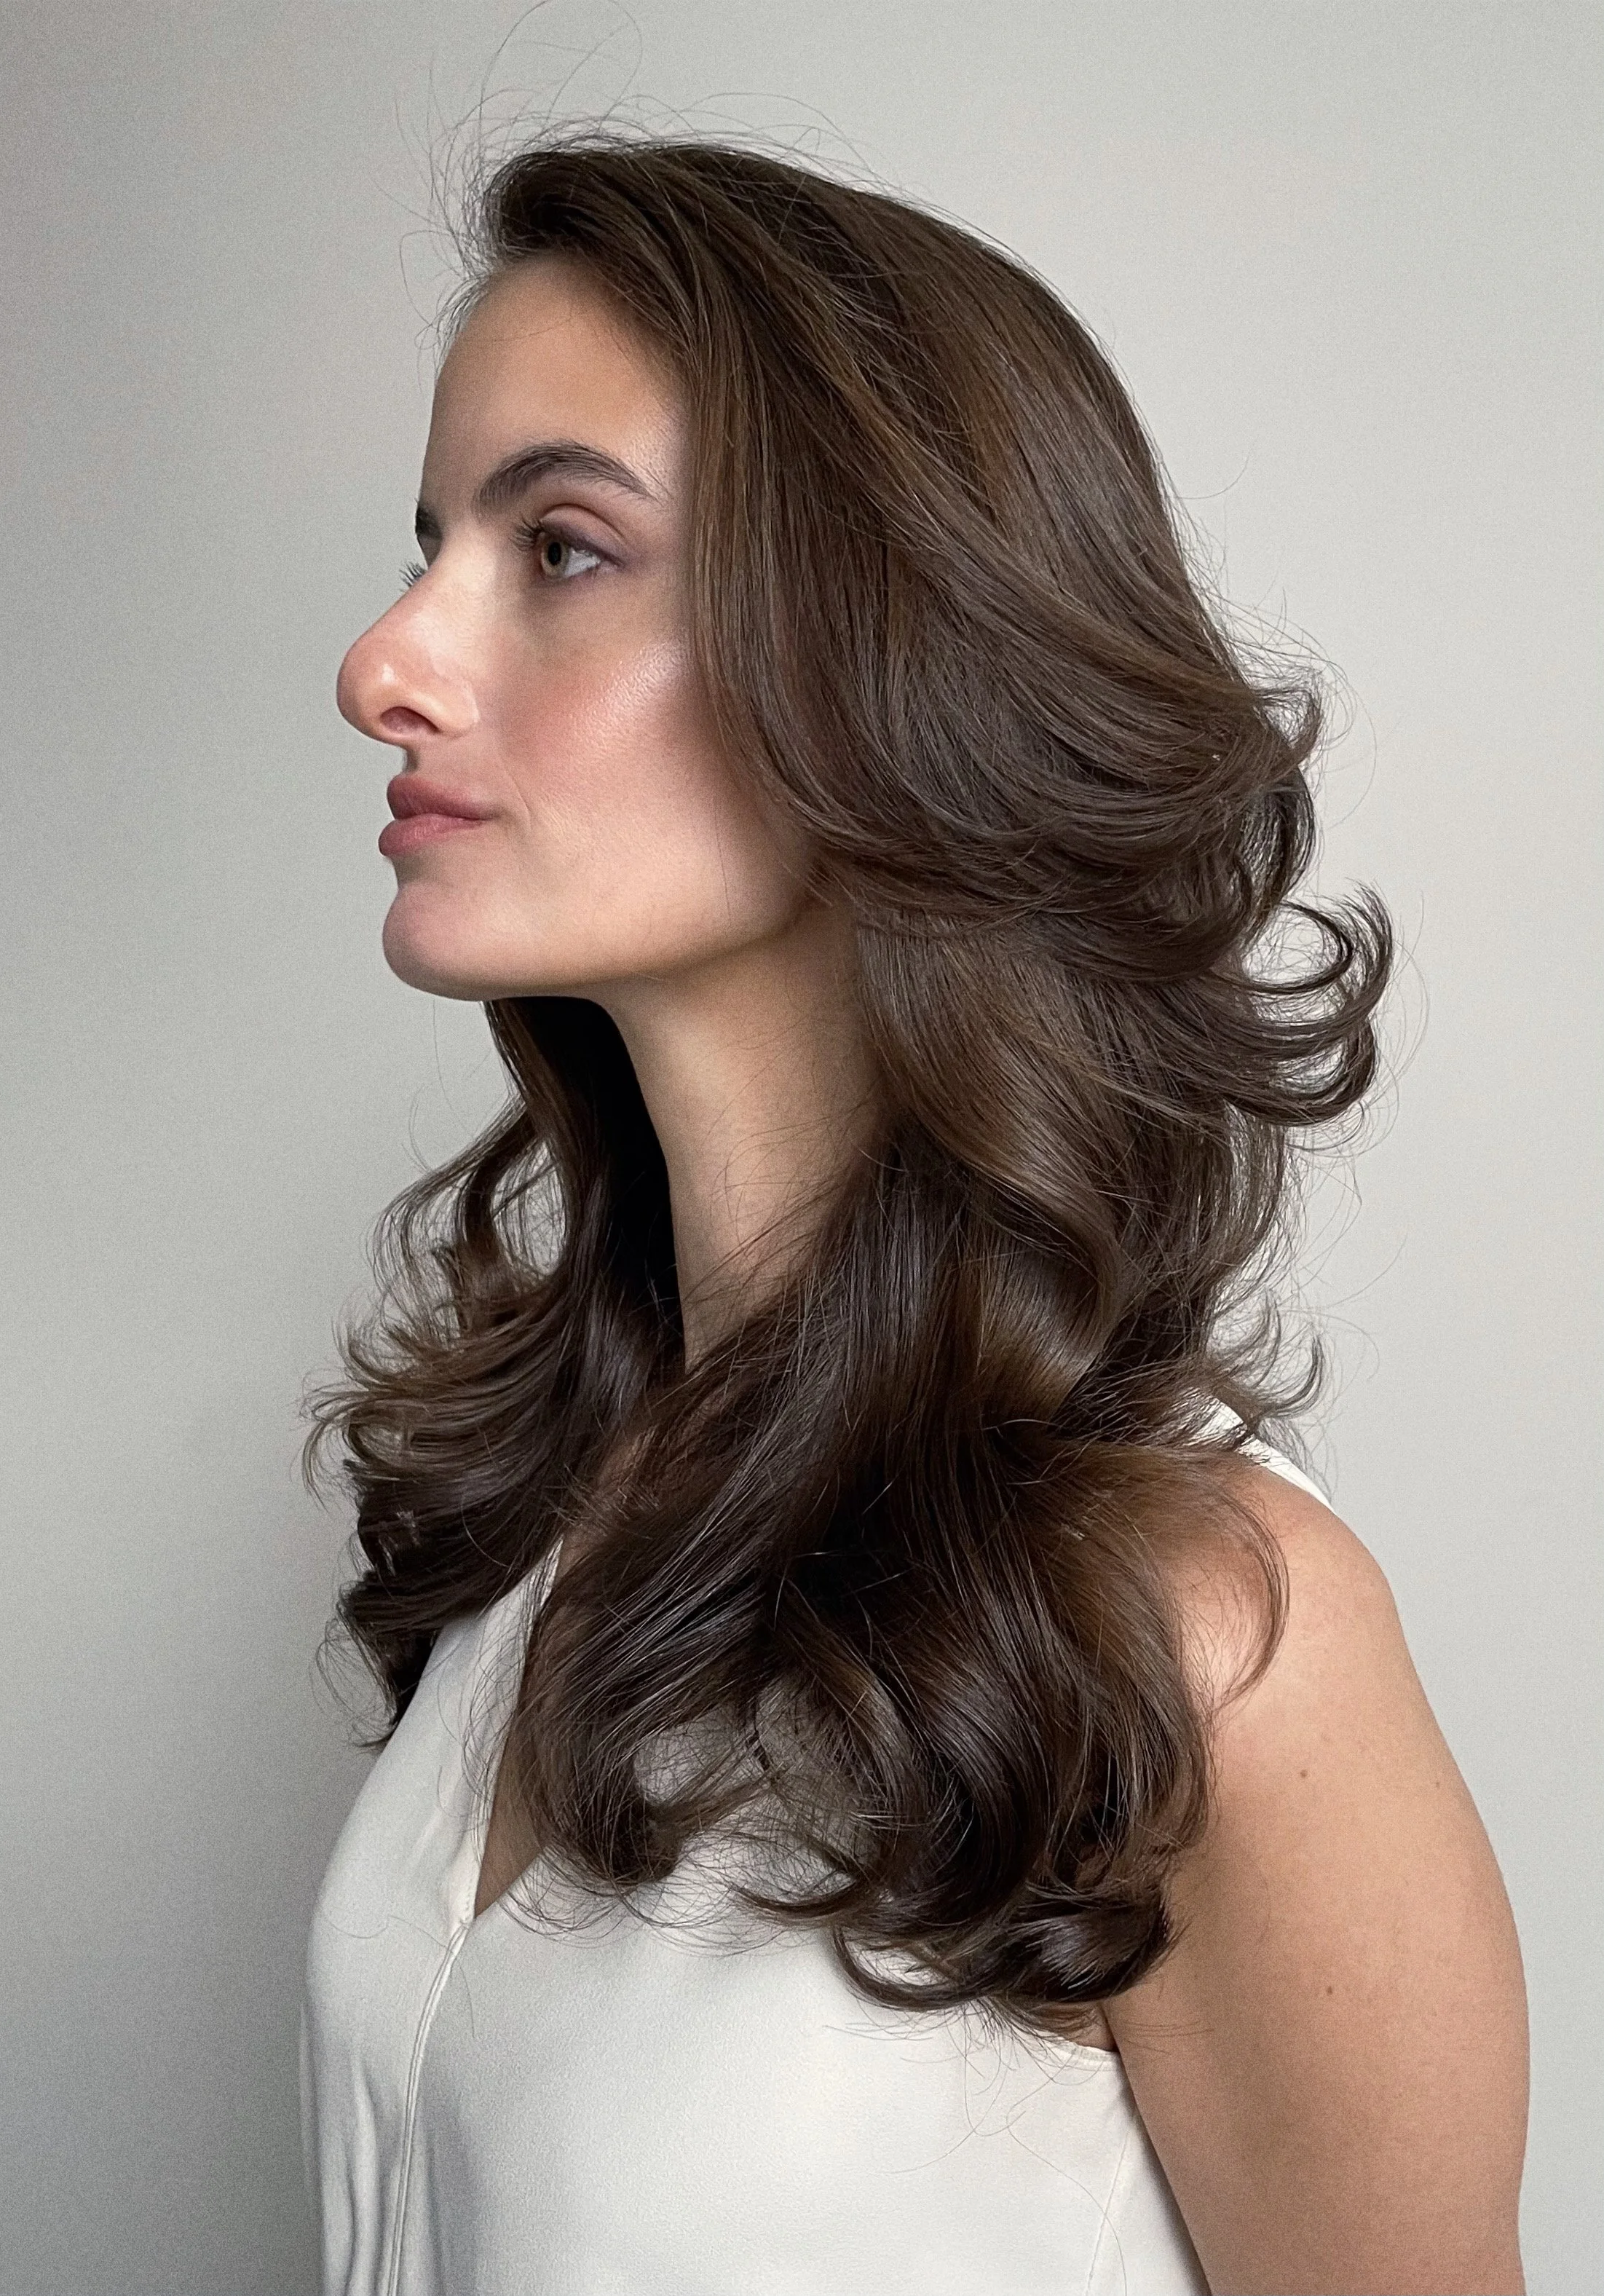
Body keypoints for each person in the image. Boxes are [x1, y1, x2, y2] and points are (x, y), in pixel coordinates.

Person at [302, 134, 1528, 2295]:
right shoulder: (565, 1516)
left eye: (561, 549)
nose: (386, 660)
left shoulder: (1211, 1635)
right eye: (428, 547)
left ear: (886, 661)